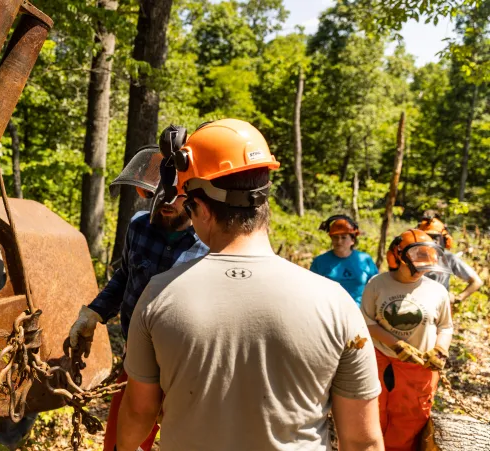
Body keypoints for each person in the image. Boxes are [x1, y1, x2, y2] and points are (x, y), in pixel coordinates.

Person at [117, 119, 384, 451]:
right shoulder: (336, 303)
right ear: (265, 201)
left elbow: (139, 412)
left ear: (199, 208)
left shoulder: (158, 295)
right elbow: (363, 440)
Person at [69, 144, 208, 451]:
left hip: (185, 365)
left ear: (193, 196)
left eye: (171, 197)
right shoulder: (138, 228)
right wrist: (94, 312)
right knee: (121, 441)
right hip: (138, 356)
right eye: (154, 196)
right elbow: (125, 276)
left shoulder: (208, 246)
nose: (162, 204)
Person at [361, 229, 452, 451]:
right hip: (381, 358)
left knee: (410, 419)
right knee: (375, 413)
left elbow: (445, 326)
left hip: (419, 366)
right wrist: (396, 344)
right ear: (398, 257)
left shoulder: (437, 291)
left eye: (425, 268)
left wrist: (440, 349)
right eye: (415, 268)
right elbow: (366, 322)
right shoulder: (377, 284)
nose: (419, 273)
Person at [311, 215, 379, 305]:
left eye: (343, 237)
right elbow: (312, 291)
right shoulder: (319, 262)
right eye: (335, 237)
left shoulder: (365, 260)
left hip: (360, 314)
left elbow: (377, 288)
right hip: (329, 314)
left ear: (353, 240)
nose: (339, 241)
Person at [417, 212, 483, 303]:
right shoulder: (411, 257)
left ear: (443, 239)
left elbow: (476, 282)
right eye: (427, 237)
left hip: (440, 309)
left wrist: (458, 298)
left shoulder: (448, 258)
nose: (430, 242)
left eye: (434, 238)